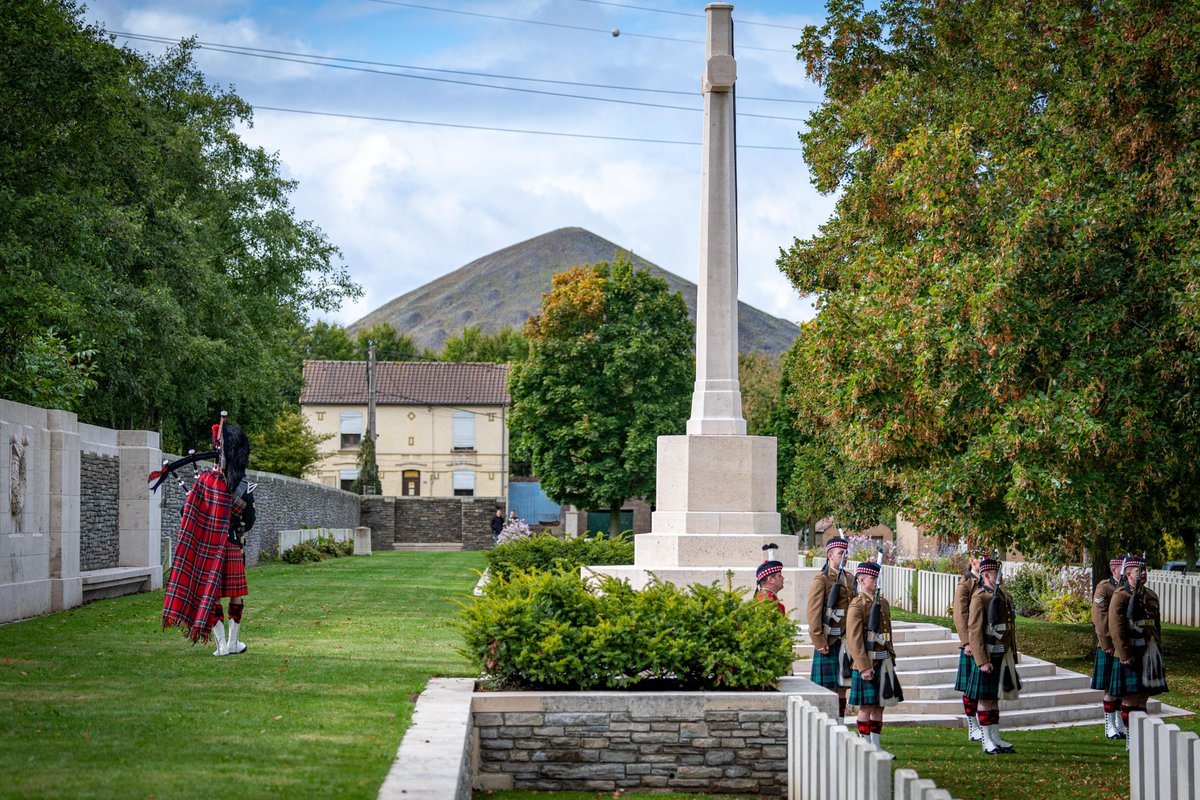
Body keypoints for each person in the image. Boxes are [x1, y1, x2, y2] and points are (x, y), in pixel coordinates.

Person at [161, 414, 254, 656]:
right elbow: (250, 520)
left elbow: (187, 513)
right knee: (236, 595)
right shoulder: (242, 487)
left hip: (209, 548)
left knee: (212, 595)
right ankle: (233, 644)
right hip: (232, 545)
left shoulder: (204, 482)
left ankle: (222, 646)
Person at [1108, 554, 1167, 748]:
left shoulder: (1150, 595)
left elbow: (1155, 625)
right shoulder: (1121, 595)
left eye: (1144, 571)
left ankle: (1141, 735)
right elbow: (1116, 628)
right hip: (1132, 652)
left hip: (1149, 651)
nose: (1143, 575)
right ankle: (1131, 738)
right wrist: (1124, 654)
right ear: (1128, 574)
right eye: (1138, 572)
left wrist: (1158, 648)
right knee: (1131, 697)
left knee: (1143, 696)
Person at [966, 557, 1020, 755]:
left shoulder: (1003, 595)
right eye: (996, 573)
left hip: (1002, 653)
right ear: (987, 575)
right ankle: (986, 740)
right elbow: (974, 631)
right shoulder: (980, 597)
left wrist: (1011, 654)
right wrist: (981, 660)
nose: (1000, 576)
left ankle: (996, 737)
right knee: (985, 699)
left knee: (995, 698)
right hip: (988, 655)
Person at [845, 560, 902, 749]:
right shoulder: (857, 605)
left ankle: (876, 746)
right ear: (861, 581)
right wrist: (863, 666)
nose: (875, 580)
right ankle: (864, 746)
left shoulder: (882, 602)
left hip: (883, 661)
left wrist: (890, 656)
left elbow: (887, 633)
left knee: (880, 705)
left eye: (876, 577)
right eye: (872, 578)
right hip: (868, 664)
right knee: (866, 707)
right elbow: (854, 639)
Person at [806, 536, 854, 722]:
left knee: (842, 685)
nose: (845, 556)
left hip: (846, 641)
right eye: (841, 553)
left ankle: (840, 722)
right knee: (828, 688)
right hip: (829, 640)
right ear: (830, 555)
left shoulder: (849, 578)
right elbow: (813, 612)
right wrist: (819, 640)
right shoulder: (822, 579)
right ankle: (828, 723)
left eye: (846, 553)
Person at [1091, 556, 1127, 739]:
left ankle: (1119, 723)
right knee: (1109, 689)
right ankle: (1109, 725)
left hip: (1122, 646)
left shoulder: (1126, 588)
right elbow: (1099, 617)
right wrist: (1107, 643)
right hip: (1109, 646)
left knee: (1120, 689)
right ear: (1114, 569)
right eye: (1123, 568)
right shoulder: (1104, 587)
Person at [952, 550, 984, 742]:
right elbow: (960, 614)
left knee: (983, 687)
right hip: (972, 643)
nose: (984, 562)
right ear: (972, 561)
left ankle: (985, 725)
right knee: (970, 688)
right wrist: (966, 642)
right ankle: (973, 726)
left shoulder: (988, 584)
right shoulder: (965, 584)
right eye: (981, 559)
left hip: (985, 642)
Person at [755, 543, 785, 614]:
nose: (783, 578)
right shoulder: (766, 600)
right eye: (779, 575)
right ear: (771, 579)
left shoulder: (767, 597)